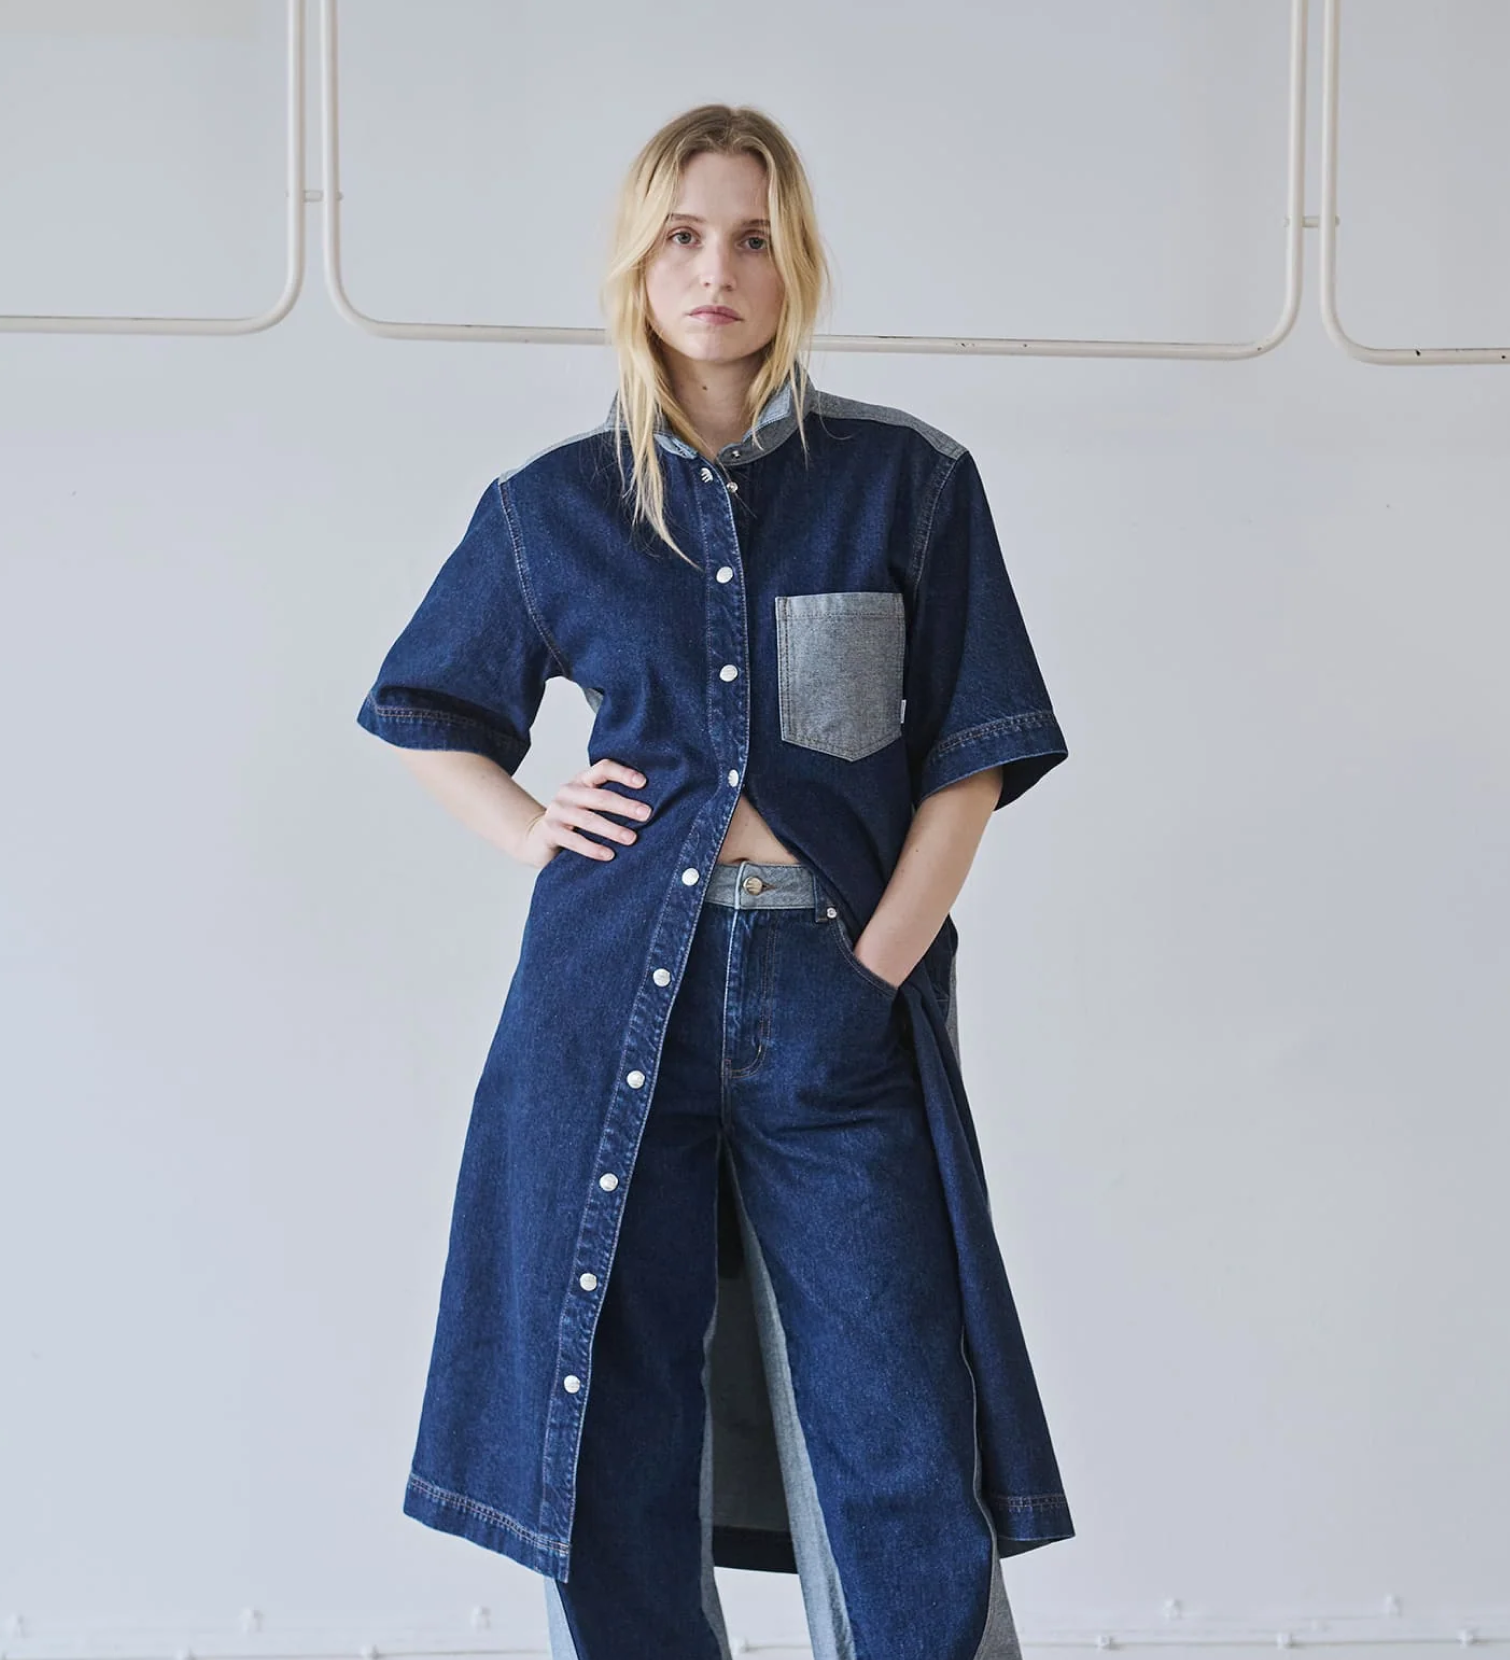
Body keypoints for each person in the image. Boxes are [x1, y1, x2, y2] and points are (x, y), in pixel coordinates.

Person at [355, 103, 1075, 1660]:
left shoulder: (908, 482)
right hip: (614, 996)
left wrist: (876, 967)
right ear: (637, 259)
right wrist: (532, 828)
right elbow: (428, 711)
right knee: (615, 1418)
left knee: (897, 1420)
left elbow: (968, 764)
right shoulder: (554, 506)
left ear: (793, 261)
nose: (716, 270)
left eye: (752, 238)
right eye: (682, 236)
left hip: (836, 998)